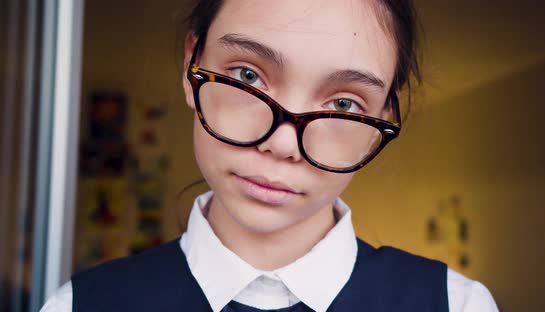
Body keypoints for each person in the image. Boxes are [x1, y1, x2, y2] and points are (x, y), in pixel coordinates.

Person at [42, 0, 499, 311]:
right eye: (248, 75)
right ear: (191, 65)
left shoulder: (456, 305)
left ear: (382, 115)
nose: (281, 143)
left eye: (343, 104)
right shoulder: (80, 304)